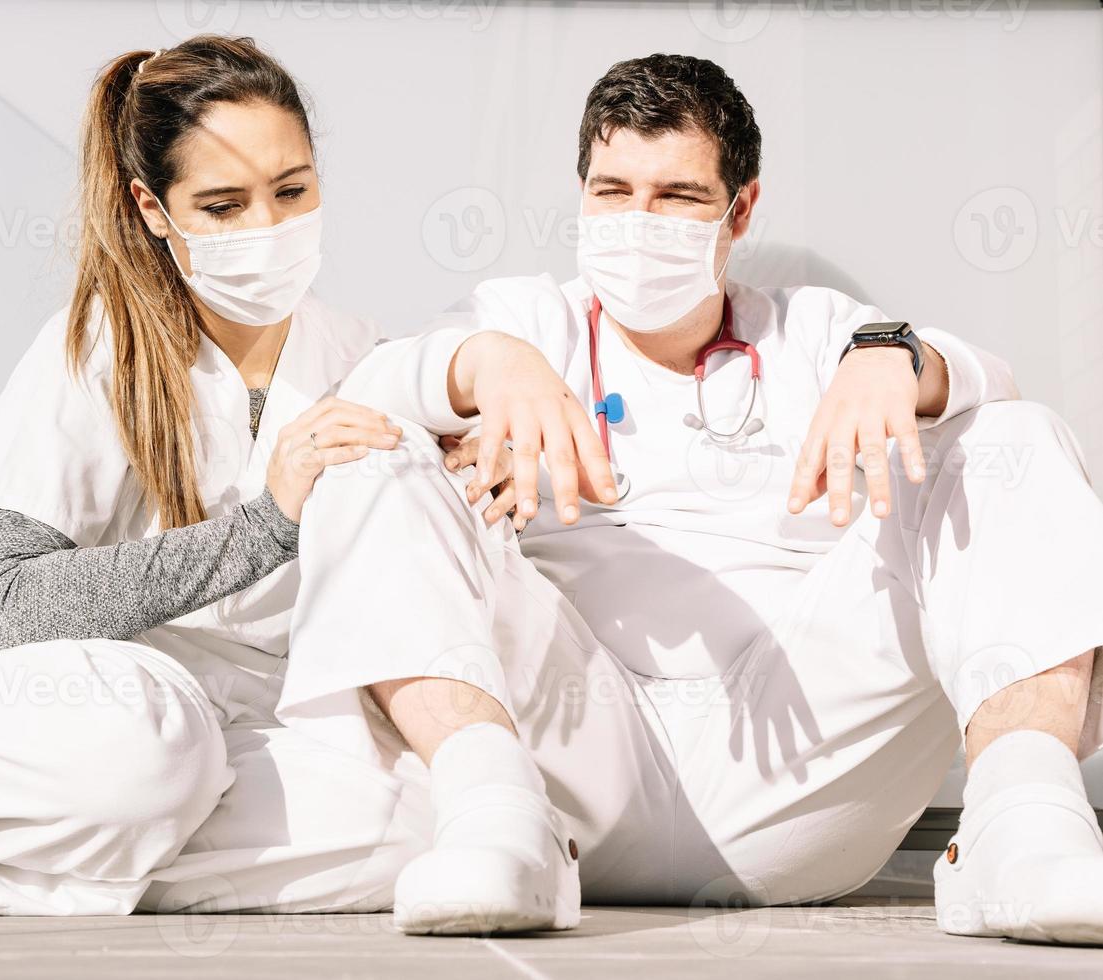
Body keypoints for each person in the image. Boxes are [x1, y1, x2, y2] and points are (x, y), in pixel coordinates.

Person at [274, 54, 1103, 941]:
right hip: (573, 758)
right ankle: (488, 817)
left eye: (675, 196)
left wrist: (895, 358)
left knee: (1009, 437)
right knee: (371, 451)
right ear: (580, 194)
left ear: (739, 208)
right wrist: (485, 363)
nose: (637, 222)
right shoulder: (520, 318)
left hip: (802, 760)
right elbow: (372, 388)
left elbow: (991, 380)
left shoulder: (815, 329)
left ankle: (1022, 826)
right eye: (611, 191)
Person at [0, 35, 417, 916]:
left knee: (410, 824)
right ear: (153, 207)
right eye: (223, 204)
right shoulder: (98, 347)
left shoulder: (360, 355)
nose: (268, 230)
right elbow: (12, 604)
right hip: (78, 701)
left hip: (234, 724)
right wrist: (264, 525)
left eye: (292, 191)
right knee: (154, 748)